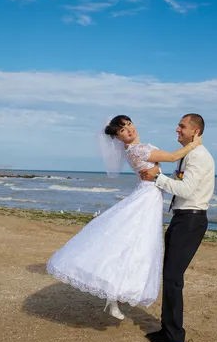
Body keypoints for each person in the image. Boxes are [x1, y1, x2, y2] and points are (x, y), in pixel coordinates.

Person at [46, 115, 202, 321]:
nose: (129, 130)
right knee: (134, 246)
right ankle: (114, 294)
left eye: (129, 125)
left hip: (150, 197)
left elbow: (161, 167)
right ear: (118, 138)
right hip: (147, 200)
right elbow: (173, 157)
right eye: (122, 130)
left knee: (133, 247)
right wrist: (194, 144)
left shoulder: (135, 149)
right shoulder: (138, 149)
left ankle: (115, 295)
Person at [139, 113, 215, 342]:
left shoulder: (199, 157)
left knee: (172, 278)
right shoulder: (187, 156)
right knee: (171, 277)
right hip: (182, 219)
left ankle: (174, 336)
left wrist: (159, 177)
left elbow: (186, 190)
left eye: (182, 126)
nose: (177, 129)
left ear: (196, 131)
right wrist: (155, 178)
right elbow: (174, 183)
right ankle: (169, 329)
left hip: (191, 222)